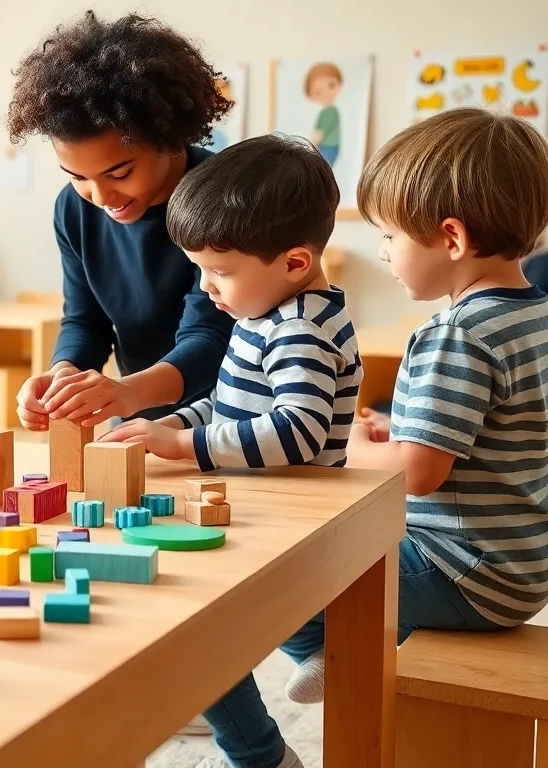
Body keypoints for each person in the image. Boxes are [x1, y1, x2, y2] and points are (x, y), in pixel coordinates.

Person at [201, 108, 548, 768]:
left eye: (389, 235)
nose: (382, 251)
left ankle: (286, 706)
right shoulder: (532, 316)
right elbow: (499, 428)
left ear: (450, 237)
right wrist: (397, 429)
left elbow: (418, 473)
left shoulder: (456, 334)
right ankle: (318, 653)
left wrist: (347, 442)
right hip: (519, 564)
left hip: (458, 569)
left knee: (248, 584)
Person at [7, 11, 236, 435]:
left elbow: (211, 335)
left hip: (229, 422)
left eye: (118, 173)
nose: (101, 198)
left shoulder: (220, 195)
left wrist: (127, 391)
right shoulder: (73, 211)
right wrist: (65, 375)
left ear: (168, 138)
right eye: (77, 177)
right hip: (140, 417)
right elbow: (85, 319)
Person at [99, 134, 360, 478]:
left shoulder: (300, 330)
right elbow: (226, 409)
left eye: (220, 271)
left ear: (295, 263)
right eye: (200, 269)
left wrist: (182, 444)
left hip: (295, 510)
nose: (206, 285)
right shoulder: (263, 317)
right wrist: (170, 426)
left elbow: (298, 431)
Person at [305, 62, 343, 167]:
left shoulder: (329, 112)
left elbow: (320, 132)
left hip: (328, 147)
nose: (326, 93)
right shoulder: (328, 111)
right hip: (328, 147)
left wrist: (312, 145)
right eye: (318, 91)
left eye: (331, 85)